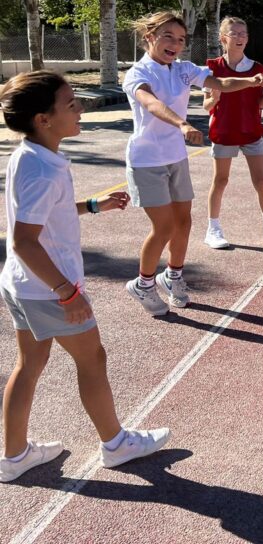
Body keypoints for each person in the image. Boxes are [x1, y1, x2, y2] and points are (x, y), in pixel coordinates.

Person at [0, 71, 170, 483]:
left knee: (31, 362)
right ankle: (116, 444)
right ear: (43, 119)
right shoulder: (44, 169)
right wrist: (66, 292)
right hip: (48, 289)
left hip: (21, 284)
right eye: (71, 103)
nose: (80, 109)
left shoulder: (33, 155)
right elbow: (25, 240)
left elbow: (44, 216)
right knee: (93, 359)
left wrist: (92, 205)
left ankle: (15, 455)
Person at [122, 11, 263, 314]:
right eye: (168, 37)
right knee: (163, 228)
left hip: (176, 158)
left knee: (184, 223)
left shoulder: (184, 69)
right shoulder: (139, 74)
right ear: (149, 37)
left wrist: (249, 81)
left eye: (180, 39)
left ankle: (173, 276)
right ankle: (143, 283)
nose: (175, 44)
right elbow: (152, 104)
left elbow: (221, 83)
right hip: (147, 161)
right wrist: (182, 124)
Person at [202, 17, 263, 249]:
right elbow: (206, 106)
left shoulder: (258, 69)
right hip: (224, 132)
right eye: (234, 33)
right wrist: (214, 97)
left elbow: (257, 104)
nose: (239, 37)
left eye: (243, 33)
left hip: (251, 131)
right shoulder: (213, 69)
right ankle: (213, 229)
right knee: (220, 180)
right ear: (223, 39)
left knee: (261, 180)